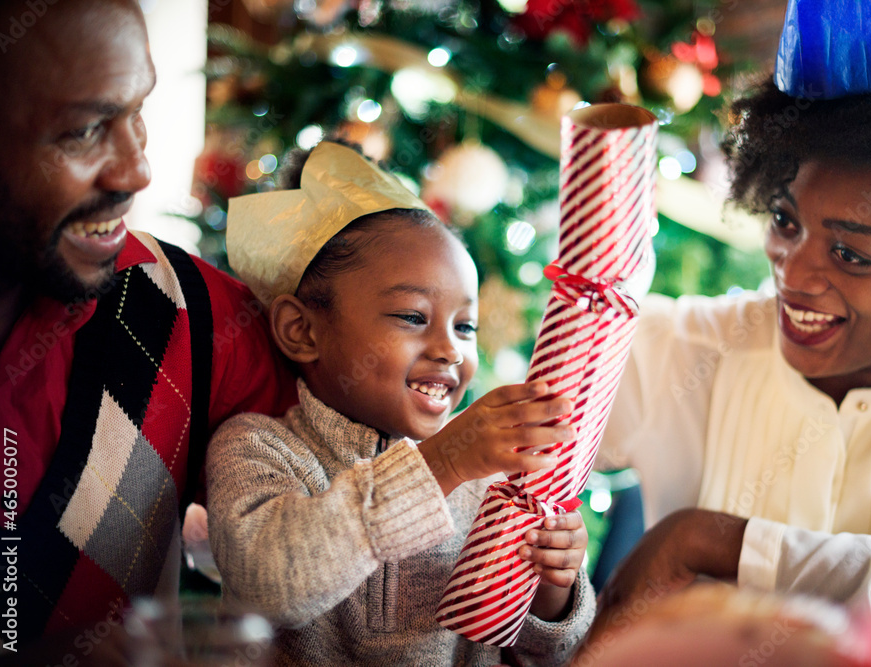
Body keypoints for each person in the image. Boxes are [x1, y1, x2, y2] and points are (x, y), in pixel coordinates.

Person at [596, 71, 871, 615]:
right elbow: (510, 465)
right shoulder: (678, 347)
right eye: (785, 220)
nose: (794, 273)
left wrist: (704, 540)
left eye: (852, 255)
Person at [207, 141, 596, 666]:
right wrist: (443, 462)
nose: (449, 350)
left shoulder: (490, 485)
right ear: (302, 330)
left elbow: (546, 652)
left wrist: (555, 590)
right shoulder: (259, 447)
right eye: (413, 317)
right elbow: (270, 586)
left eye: (465, 327)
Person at [0, 0, 296, 660]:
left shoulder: (186, 312)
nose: (136, 172)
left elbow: (359, 506)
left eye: (137, 113)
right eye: (83, 131)